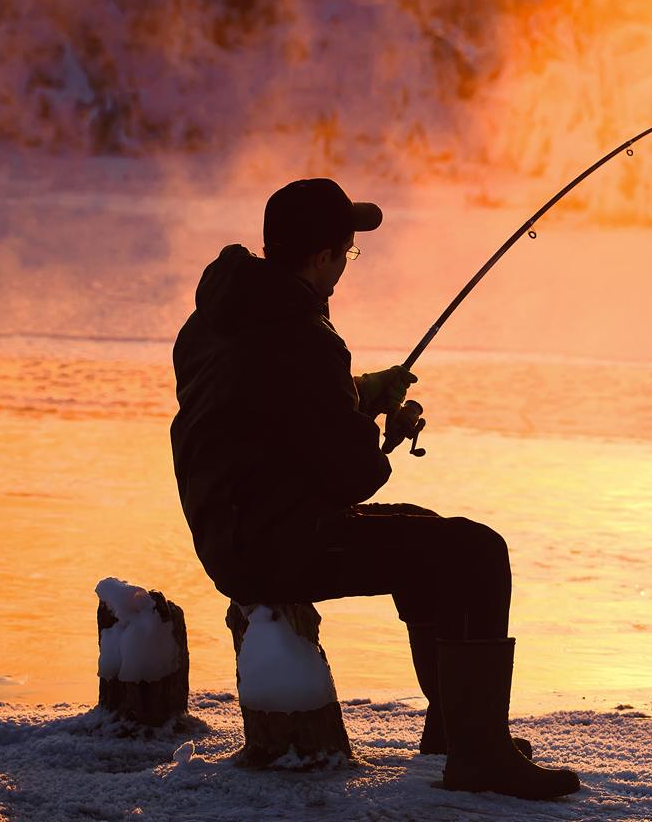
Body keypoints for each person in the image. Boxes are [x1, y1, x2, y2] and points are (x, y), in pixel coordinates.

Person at [170, 178, 578, 800]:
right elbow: (354, 476)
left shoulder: (218, 317)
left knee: (426, 532)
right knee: (477, 552)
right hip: (272, 543)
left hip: (230, 527)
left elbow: (267, 409)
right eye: (346, 253)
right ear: (320, 257)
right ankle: (479, 755)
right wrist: (383, 425)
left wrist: (357, 394)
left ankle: (455, 733)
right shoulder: (304, 335)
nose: (345, 267)